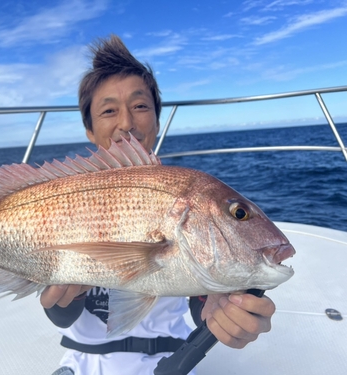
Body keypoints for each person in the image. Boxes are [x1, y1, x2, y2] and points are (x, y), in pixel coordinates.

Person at [41, 35, 276, 375]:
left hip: (171, 359)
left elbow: (202, 300)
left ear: (157, 118)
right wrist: (68, 297)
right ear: (90, 130)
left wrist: (224, 306)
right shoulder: (60, 198)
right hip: (82, 362)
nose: (126, 123)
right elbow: (59, 311)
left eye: (140, 106)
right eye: (109, 110)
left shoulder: (187, 196)